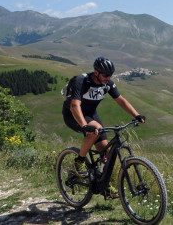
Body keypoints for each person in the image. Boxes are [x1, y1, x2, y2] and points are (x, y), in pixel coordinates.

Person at [62, 57, 145, 199]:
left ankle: (104, 185)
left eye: (110, 75)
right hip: (73, 114)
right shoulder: (81, 81)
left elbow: (121, 100)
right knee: (95, 129)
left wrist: (136, 115)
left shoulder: (107, 84)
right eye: (106, 75)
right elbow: (74, 106)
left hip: (91, 114)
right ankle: (79, 162)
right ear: (96, 72)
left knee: (106, 150)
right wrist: (84, 125)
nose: (108, 78)